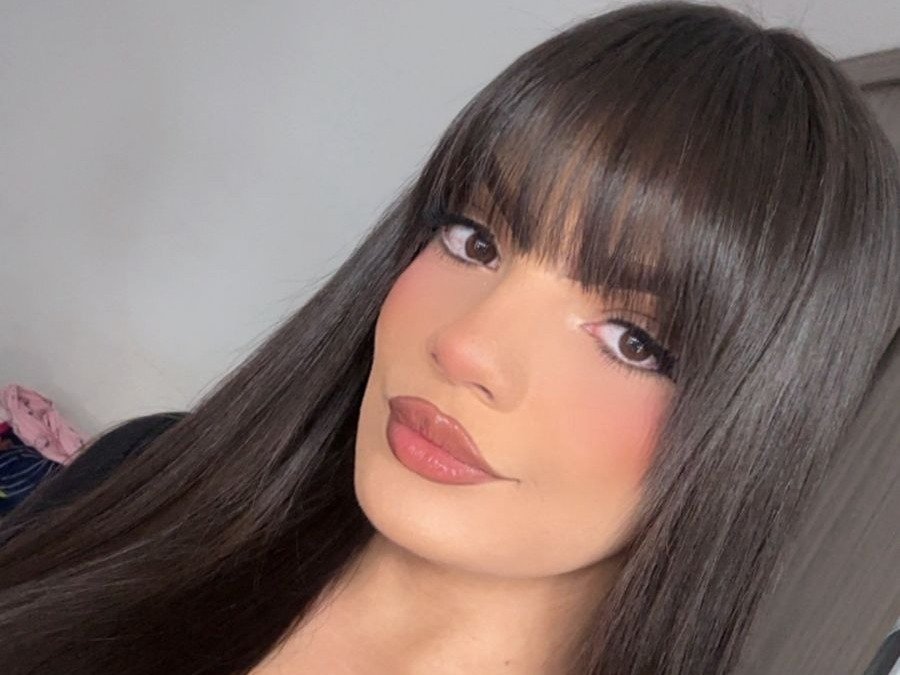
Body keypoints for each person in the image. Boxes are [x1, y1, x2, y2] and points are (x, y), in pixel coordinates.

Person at [0, 1, 897, 673]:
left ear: (755, 433)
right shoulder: (144, 479)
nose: (466, 344)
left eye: (632, 338)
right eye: (474, 239)